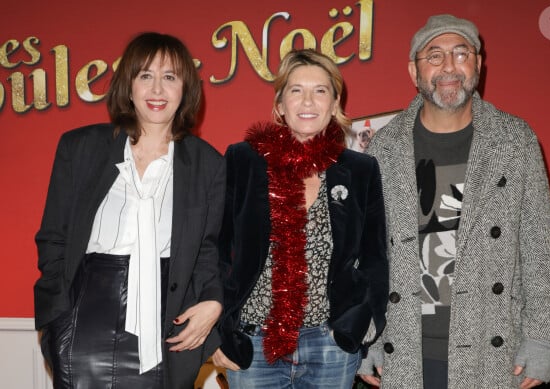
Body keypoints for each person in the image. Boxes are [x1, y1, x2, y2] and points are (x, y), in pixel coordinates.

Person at [359, 14, 550, 389]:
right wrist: (369, 335)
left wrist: (543, 338)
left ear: (478, 64)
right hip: (406, 350)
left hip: (492, 348)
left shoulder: (514, 140)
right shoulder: (383, 147)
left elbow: (540, 247)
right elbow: (368, 254)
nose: (449, 67)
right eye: (434, 56)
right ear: (414, 70)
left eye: (460, 53)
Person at [34, 32, 225, 388]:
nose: (157, 89)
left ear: (185, 89)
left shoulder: (209, 164)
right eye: (145, 75)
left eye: (170, 77)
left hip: (164, 322)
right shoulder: (81, 147)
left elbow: (208, 250)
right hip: (82, 318)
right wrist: (56, 319)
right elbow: (53, 238)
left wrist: (214, 302)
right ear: (129, 84)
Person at [211, 49, 389, 388]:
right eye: (296, 90)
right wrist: (218, 330)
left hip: (331, 345)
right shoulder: (243, 160)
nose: (308, 100)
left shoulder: (360, 169)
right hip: (254, 344)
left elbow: (375, 258)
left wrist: (362, 323)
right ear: (280, 105)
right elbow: (217, 251)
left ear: (335, 103)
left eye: (320, 90)